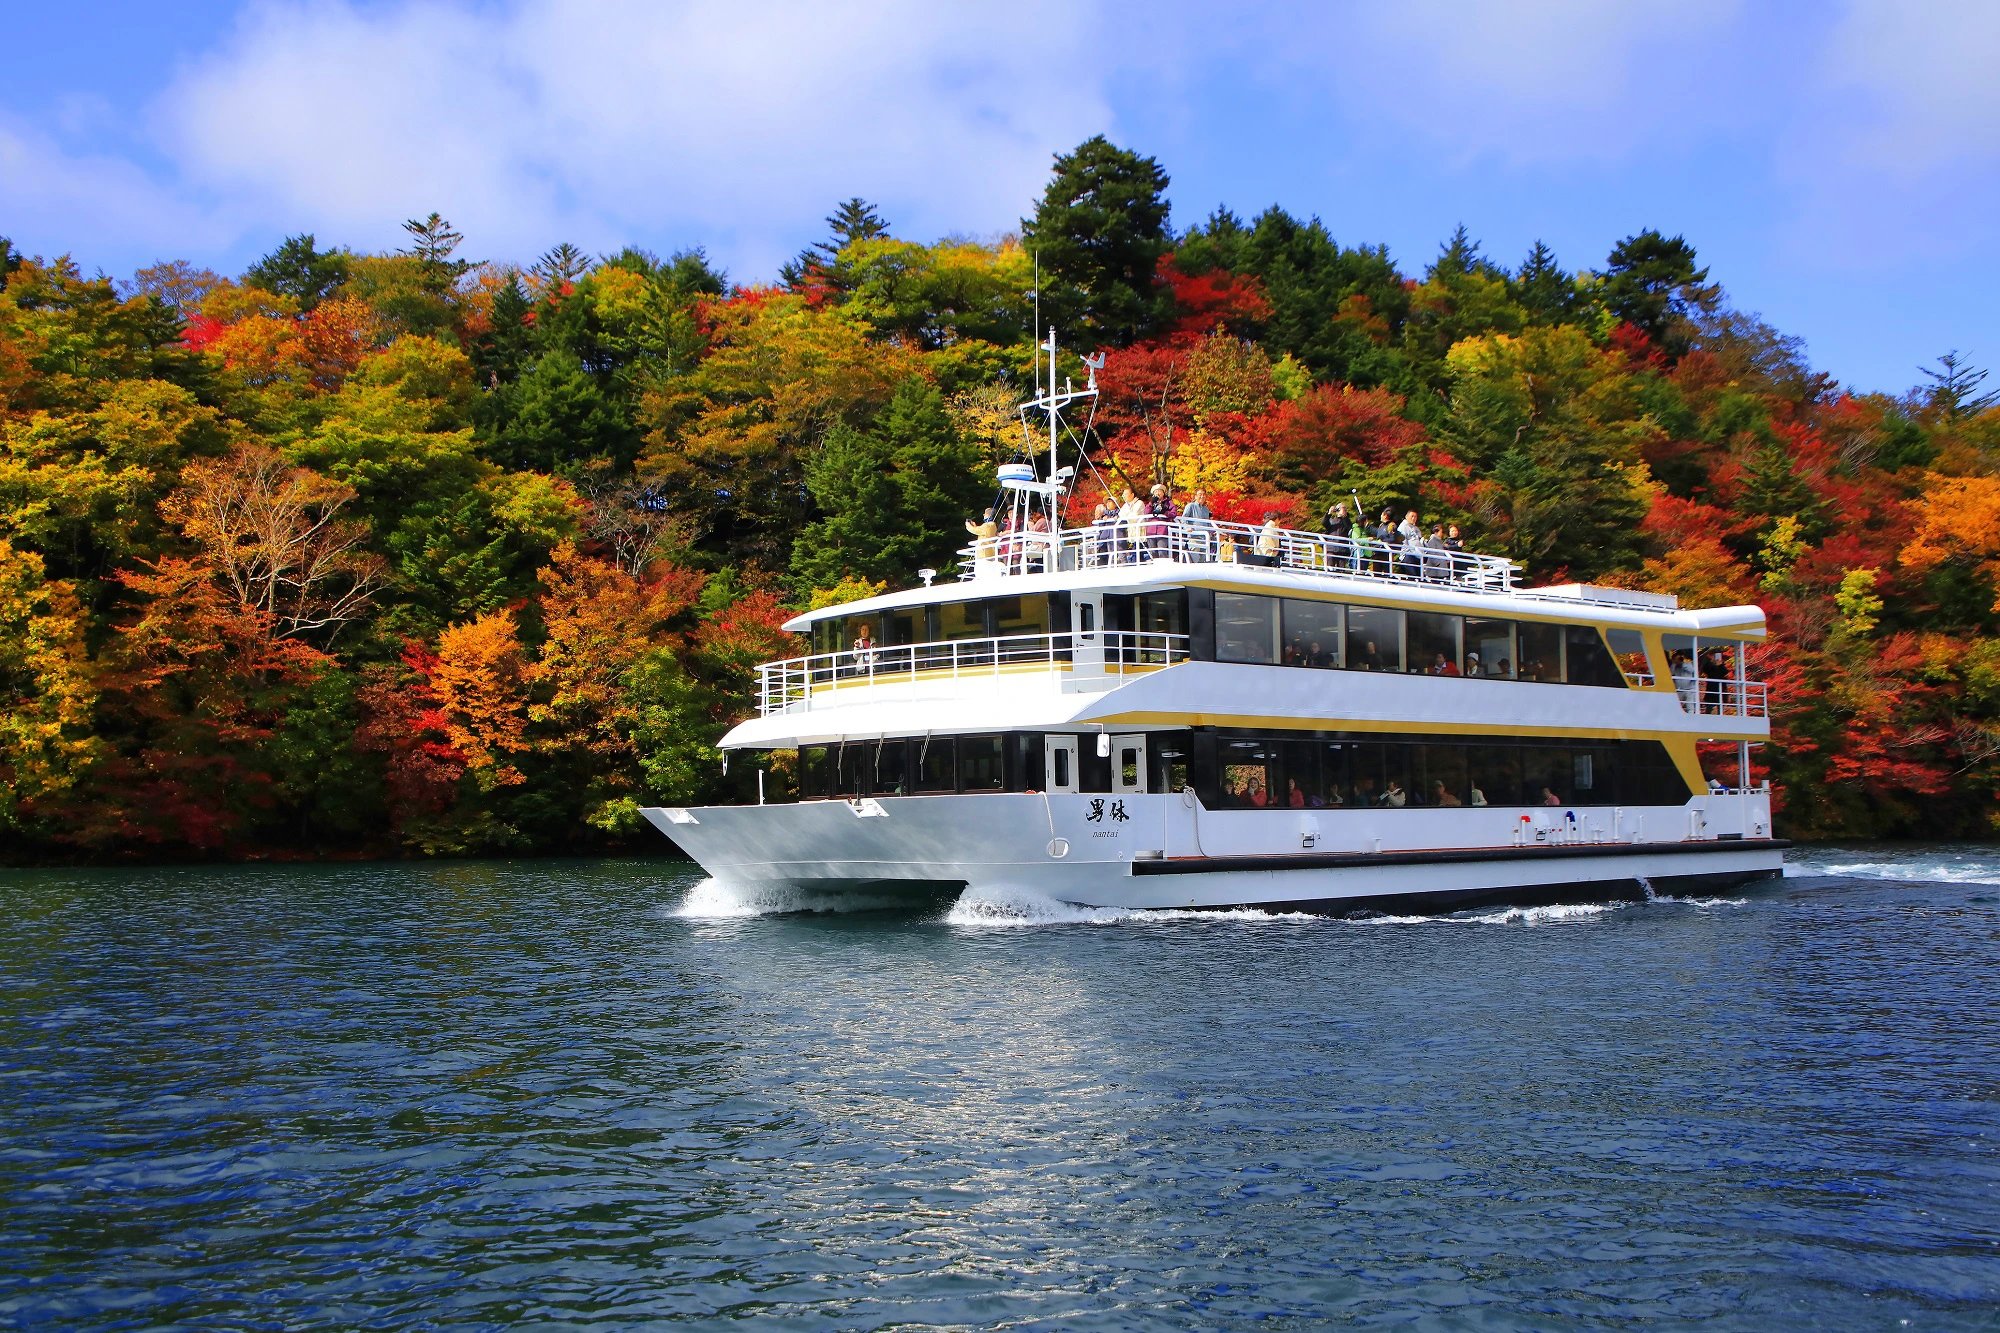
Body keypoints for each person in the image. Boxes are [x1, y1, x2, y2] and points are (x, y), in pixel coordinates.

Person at [1145, 483, 1177, 560]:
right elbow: (1146, 512)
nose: (1158, 493)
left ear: (1163, 493)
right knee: (1153, 552)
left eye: (1159, 491)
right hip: (1151, 530)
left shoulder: (1168, 502)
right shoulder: (1151, 503)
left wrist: (1164, 512)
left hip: (1163, 529)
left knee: (1162, 551)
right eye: (1156, 492)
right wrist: (1151, 503)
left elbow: (1174, 513)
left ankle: (1164, 567)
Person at [1183, 488, 1214, 561]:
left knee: (1204, 559)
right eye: (1200, 494)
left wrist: (1211, 532)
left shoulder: (1206, 509)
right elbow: (1184, 518)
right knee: (1194, 556)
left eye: (1204, 495)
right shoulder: (1191, 506)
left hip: (1204, 538)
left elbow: (1207, 522)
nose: (1202, 496)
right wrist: (1187, 528)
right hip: (1194, 536)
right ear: (1195, 496)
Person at [1118, 487, 1146, 564]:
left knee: (1138, 550)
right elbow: (1120, 515)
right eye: (1123, 494)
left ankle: (1137, 563)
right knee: (1135, 549)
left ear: (1132, 495)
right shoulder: (1125, 505)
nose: (1123, 496)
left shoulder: (1139, 503)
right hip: (1132, 532)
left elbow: (1134, 515)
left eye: (1126, 494)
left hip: (1140, 531)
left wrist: (1126, 515)